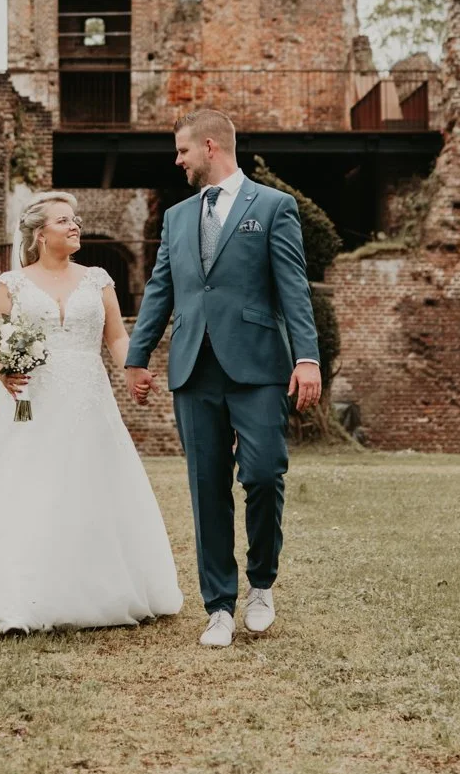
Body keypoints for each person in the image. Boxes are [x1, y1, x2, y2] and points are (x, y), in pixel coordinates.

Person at [0, 192, 183, 632]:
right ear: (40, 234)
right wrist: (4, 370)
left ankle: (97, 589)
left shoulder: (97, 280)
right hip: (31, 401)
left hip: (87, 398)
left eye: (75, 219)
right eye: (64, 220)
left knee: (90, 484)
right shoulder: (11, 284)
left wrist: (133, 370)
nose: (75, 225)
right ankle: (16, 596)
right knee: (26, 487)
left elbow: (117, 337)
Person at [125, 110, 321, 647]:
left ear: (210, 147)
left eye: (182, 150)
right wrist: (139, 356)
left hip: (258, 366)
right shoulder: (176, 217)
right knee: (206, 487)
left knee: (263, 474)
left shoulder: (274, 206)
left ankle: (261, 585)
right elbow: (161, 289)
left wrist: (307, 357)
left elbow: (294, 287)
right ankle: (218, 606)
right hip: (193, 367)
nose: (178, 160)